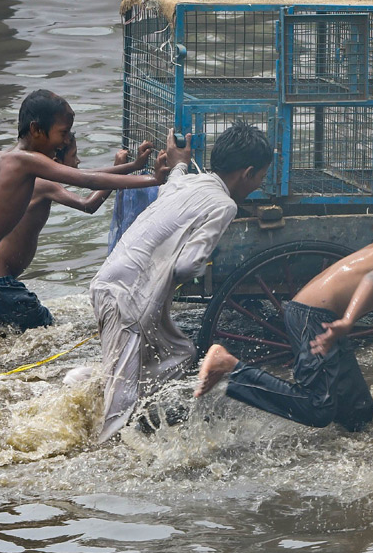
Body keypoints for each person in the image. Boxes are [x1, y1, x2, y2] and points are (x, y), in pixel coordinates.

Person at [0, 90, 175, 384]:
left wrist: (132, 167)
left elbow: (79, 172)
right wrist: (152, 179)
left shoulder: (2, 158)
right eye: (62, 133)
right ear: (35, 129)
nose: (65, 142)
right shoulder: (26, 162)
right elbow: (86, 179)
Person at [193, 190, 373, 432]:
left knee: (358, 412)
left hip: (317, 314)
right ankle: (230, 366)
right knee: (317, 408)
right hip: (314, 315)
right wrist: (348, 321)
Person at [91, 121, 273, 442]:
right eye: (260, 176)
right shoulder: (224, 204)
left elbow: (173, 179)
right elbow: (188, 266)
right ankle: (100, 452)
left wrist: (180, 162)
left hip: (114, 283)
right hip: (130, 299)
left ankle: (121, 407)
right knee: (120, 405)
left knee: (181, 354)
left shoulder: (191, 183)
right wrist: (206, 266)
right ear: (247, 173)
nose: (259, 184)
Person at [0, 132, 153, 332]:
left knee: (3, 333)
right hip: (1, 285)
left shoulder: (18, 174)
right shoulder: (43, 184)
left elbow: (85, 176)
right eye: (74, 155)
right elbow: (88, 204)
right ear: (56, 160)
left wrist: (122, 167)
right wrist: (126, 171)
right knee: (48, 328)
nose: (78, 161)